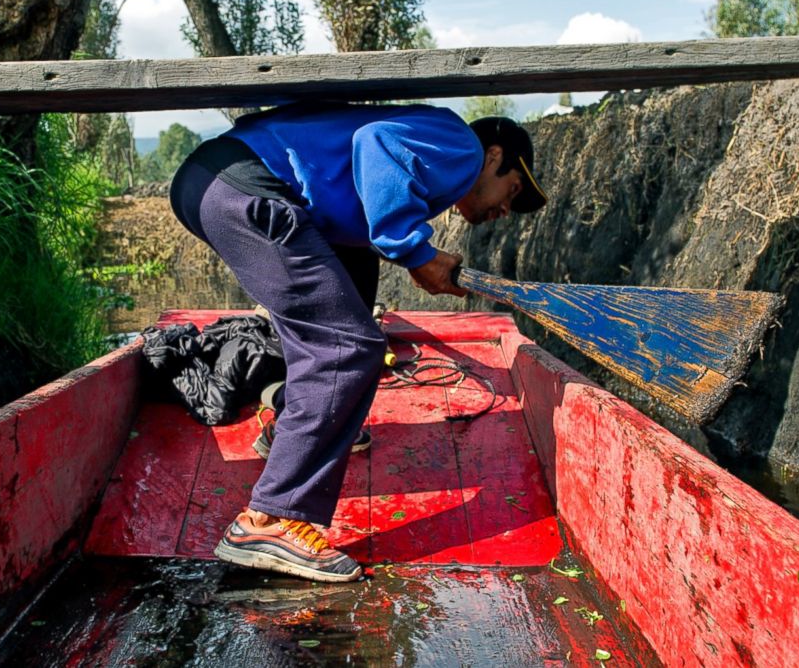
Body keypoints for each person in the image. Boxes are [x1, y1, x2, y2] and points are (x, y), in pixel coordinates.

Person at [168, 102, 546, 582]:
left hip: (215, 180)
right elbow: (376, 142)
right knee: (348, 347)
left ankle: (292, 431)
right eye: (512, 190)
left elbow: (361, 224)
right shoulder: (465, 149)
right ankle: (271, 520)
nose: (505, 209)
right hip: (243, 185)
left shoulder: (436, 150)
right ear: (494, 156)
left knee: (350, 309)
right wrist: (415, 252)